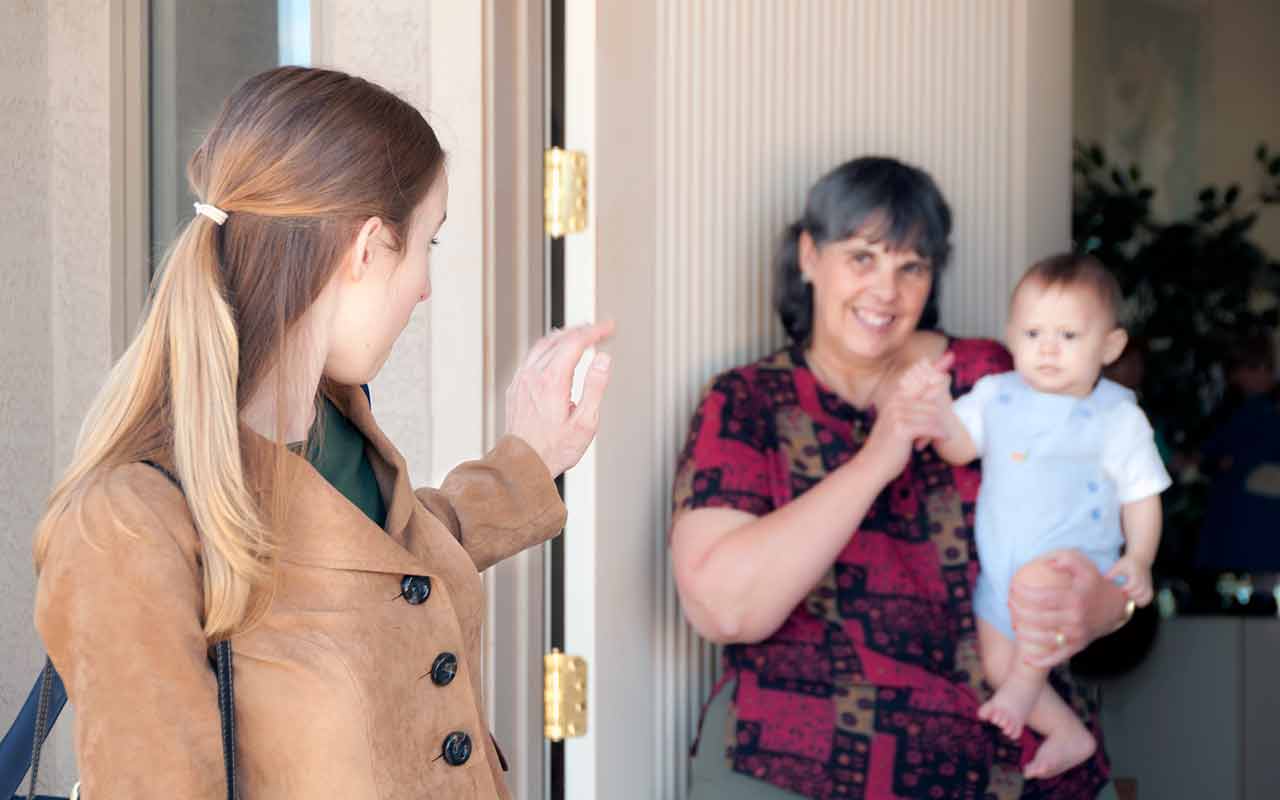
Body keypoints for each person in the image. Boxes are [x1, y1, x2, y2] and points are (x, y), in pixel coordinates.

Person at [32, 66, 612, 798]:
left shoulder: (337, 429)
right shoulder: (127, 520)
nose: (426, 288)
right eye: (429, 243)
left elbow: (388, 562)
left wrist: (529, 459)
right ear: (368, 248)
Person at [671, 157, 1133, 799]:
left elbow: (1114, 518)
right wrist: (876, 460)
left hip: (1011, 764)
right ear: (809, 256)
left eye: (910, 266)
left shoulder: (999, 381)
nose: (885, 291)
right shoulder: (748, 401)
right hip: (797, 765)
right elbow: (724, 609)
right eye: (862, 258)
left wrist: (1109, 605)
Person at [900, 254, 1170, 777]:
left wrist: (1139, 558)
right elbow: (957, 448)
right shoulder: (996, 395)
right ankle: (1068, 732)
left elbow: (1143, 495)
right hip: (1001, 570)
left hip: (1071, 567)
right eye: (1032, 333)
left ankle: (1025, 691)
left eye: (1069, 336)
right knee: (998, 664)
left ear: (1109, 346)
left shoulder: (1118, 416)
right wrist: (936, 411)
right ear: (1010, 336)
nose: (1048, 348)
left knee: (1032, 615)